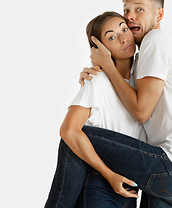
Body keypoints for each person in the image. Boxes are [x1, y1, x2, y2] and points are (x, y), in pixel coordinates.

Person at [80, 0, 172, 207]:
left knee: (79, 134)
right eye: (126, 10)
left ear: (159, 14)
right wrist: (96, 71)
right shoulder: (142, 59)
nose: (130, 16)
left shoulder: (155, 41)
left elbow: (141, 112)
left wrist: (107, 67)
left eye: (139, 9)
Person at [45, 11, 144, 208]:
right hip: (100, 185)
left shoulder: (141, 82)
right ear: (100, 48)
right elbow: (68, 130)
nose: (124, 38)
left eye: (124, 29)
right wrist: (109, 175)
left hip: (130, 189)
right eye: (112, 37)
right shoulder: (97, 81)